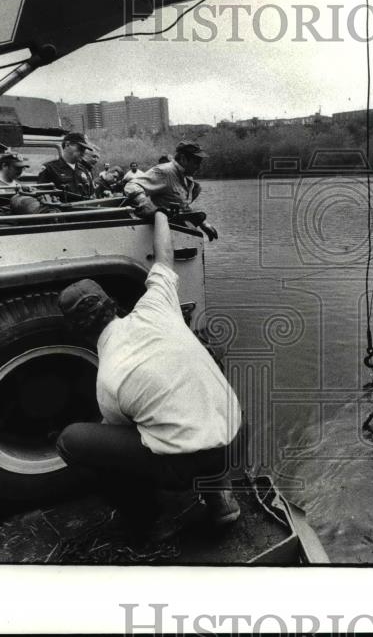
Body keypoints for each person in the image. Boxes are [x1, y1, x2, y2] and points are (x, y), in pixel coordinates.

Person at [55, 210, 243, 538]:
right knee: (203, 350)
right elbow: (165, 254)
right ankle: (220, 494)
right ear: (111, 303)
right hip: (238, 437)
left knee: (72, 440)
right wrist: (158, 213)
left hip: (187, 465)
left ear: (75, 331)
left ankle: (145, 517)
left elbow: (128, 443)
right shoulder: (156, 304)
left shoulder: (109, 379)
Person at [123, 141, 218, 240]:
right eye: (196, 162)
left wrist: (203, 223)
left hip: (176, 232)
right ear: (183, 159)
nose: (198, 167)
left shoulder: (187, 177)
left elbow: (182, 205)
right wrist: (144, 203)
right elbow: (131, 185)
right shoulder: (164, 172)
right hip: (158, 233)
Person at [38, 132, 95, 199]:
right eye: (80, 148)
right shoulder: (50, 169)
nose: (83, 152)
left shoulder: (84, 170)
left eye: (84, 149)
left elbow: (92, 195)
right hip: (64, 209)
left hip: (87, 208)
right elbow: (43, 197)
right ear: (67, 145)